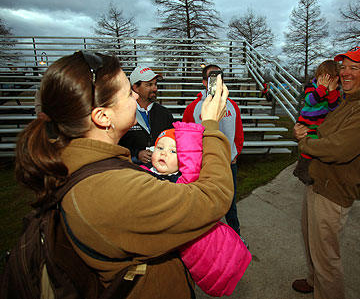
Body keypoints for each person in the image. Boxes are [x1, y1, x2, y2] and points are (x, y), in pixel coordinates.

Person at [14, 51, 234, 298]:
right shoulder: (113, 189)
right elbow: (213, 198)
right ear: (103, 116)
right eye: (129, 92)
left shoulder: (80, 163)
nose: (135, 97)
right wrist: (211, 126)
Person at [292, 46, 360, 299]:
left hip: (333, 190)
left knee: (327, 259)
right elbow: (324, 130)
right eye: (343, 67)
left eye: (354, 68)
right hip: (316, 180)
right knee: (311, 241)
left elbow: (338, 149)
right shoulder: (348, 100)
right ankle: (314, 281)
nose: (345, 73)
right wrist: (305, 131)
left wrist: (304, 141)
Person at [140, 123, 252, 297]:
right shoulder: (140, 175)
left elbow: (191, 167)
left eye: (173, 151)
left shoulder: (183, 183)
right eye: (160, 147)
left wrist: (190, 134)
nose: (163, 153)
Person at [182, 64, 246, 244]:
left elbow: (239, 133)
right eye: (212, 78)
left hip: (228, 163)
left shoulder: (232, 106)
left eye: (220, 78)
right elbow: (186, 137)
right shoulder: (194, 108)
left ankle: (236, 238)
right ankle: (209, 243)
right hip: (205, 165)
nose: (217, 82)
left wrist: (236, 153)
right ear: (204, 82)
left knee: (230, 204)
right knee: (207, 205)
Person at [293, 60, 340, 184]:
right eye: (322, 77)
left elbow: (333, 107)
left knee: (318, 145)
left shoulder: (333, 92)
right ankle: (301, 169)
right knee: (311, 144)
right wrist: (321, 88)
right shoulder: (311, 87)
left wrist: (332, 91)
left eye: (329, 79)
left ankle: (307, 168)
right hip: (307, 122)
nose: (325, 81)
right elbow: (311, 100)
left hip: (318, 124)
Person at [118, 64, 174, 165]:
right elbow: (116, 145)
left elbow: (173, 142)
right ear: (136, 87)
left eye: (155, 84)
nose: (155, 88)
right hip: (131, 171)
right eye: (149, 85)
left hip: (160, 172)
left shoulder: (164, 114)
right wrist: (136, 154)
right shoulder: (123, 113)